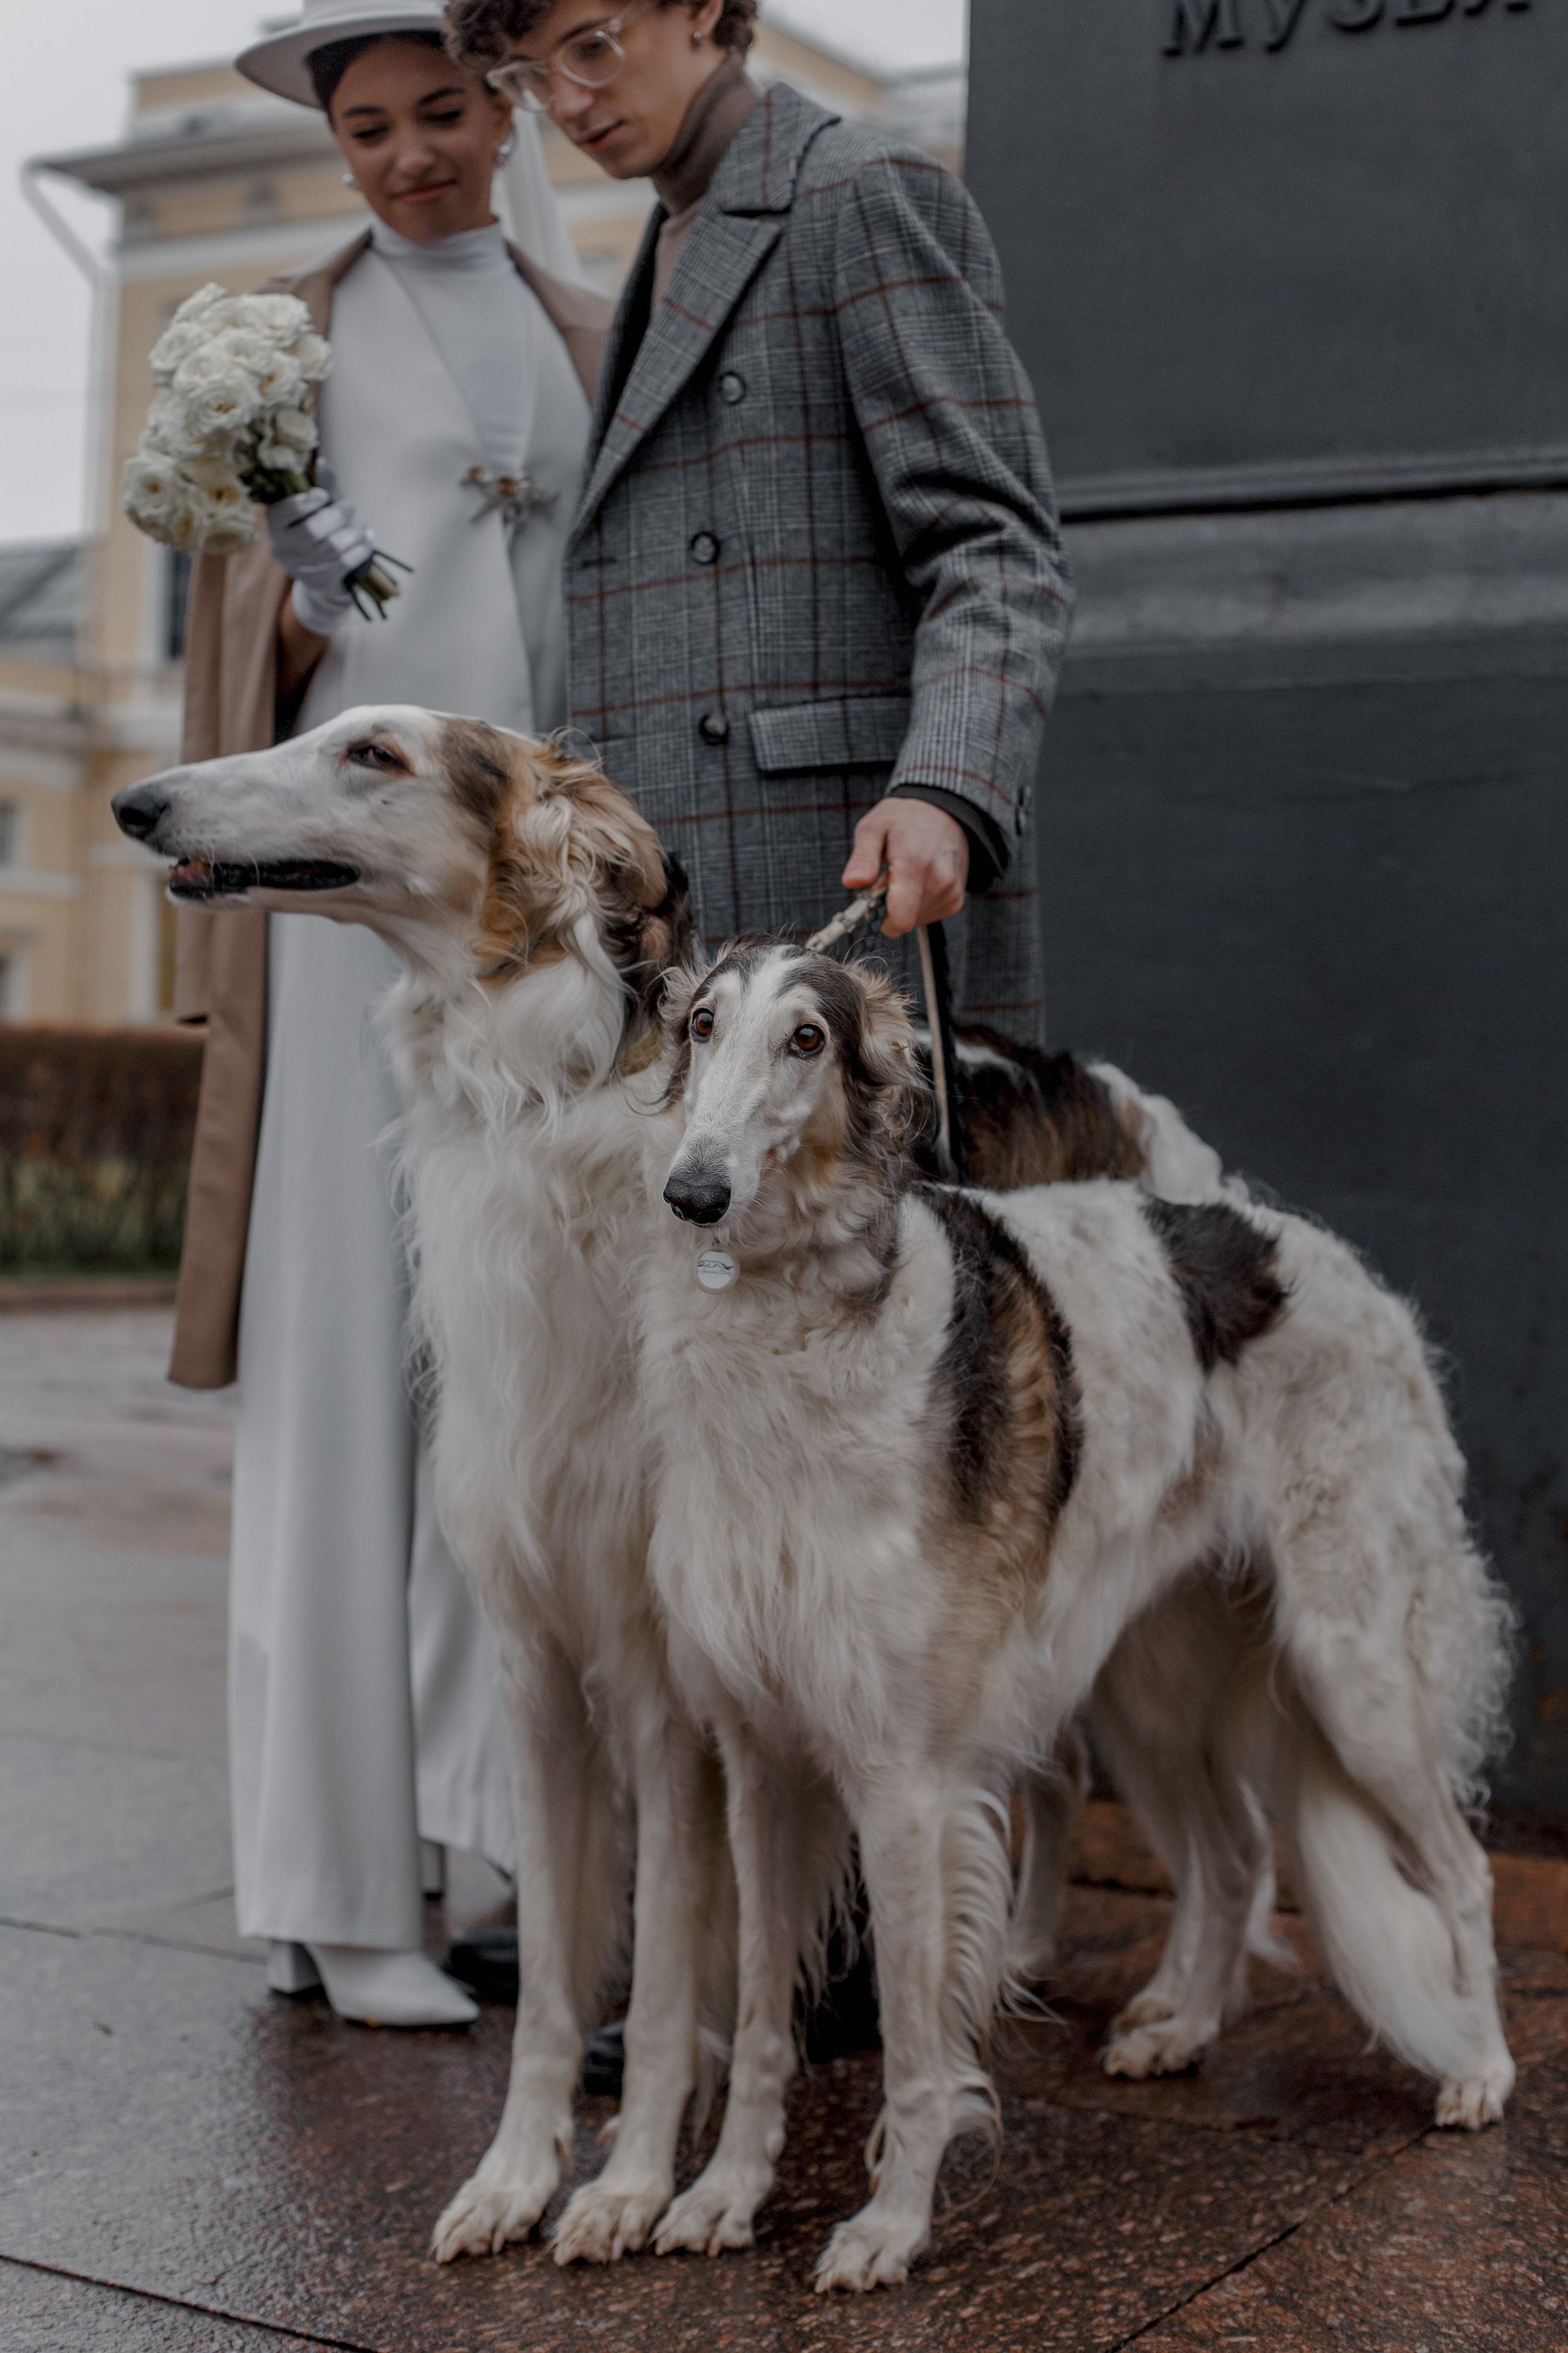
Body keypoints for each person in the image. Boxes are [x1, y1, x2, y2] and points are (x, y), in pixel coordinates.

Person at [170, 0, 611, 2026]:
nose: (412, 151)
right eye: (370, 125)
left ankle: (477, 1846)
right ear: (333, 139)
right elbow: (250, 640)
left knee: (500, 1388)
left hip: (515, 950)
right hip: (351, 936)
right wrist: (289, 560)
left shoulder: (580, 306)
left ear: (503, 105)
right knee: (340, 1397)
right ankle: (333, 1887)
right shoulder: (286, 335)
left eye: (444, 109)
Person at [443, 0, 1072, 1034]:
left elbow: (995, 544)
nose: (566, 102)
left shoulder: (860, 192)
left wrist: (949, 790)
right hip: (687, 898)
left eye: (590, 49)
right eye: (526, 77)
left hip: (845, 876)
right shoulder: (663, 239)